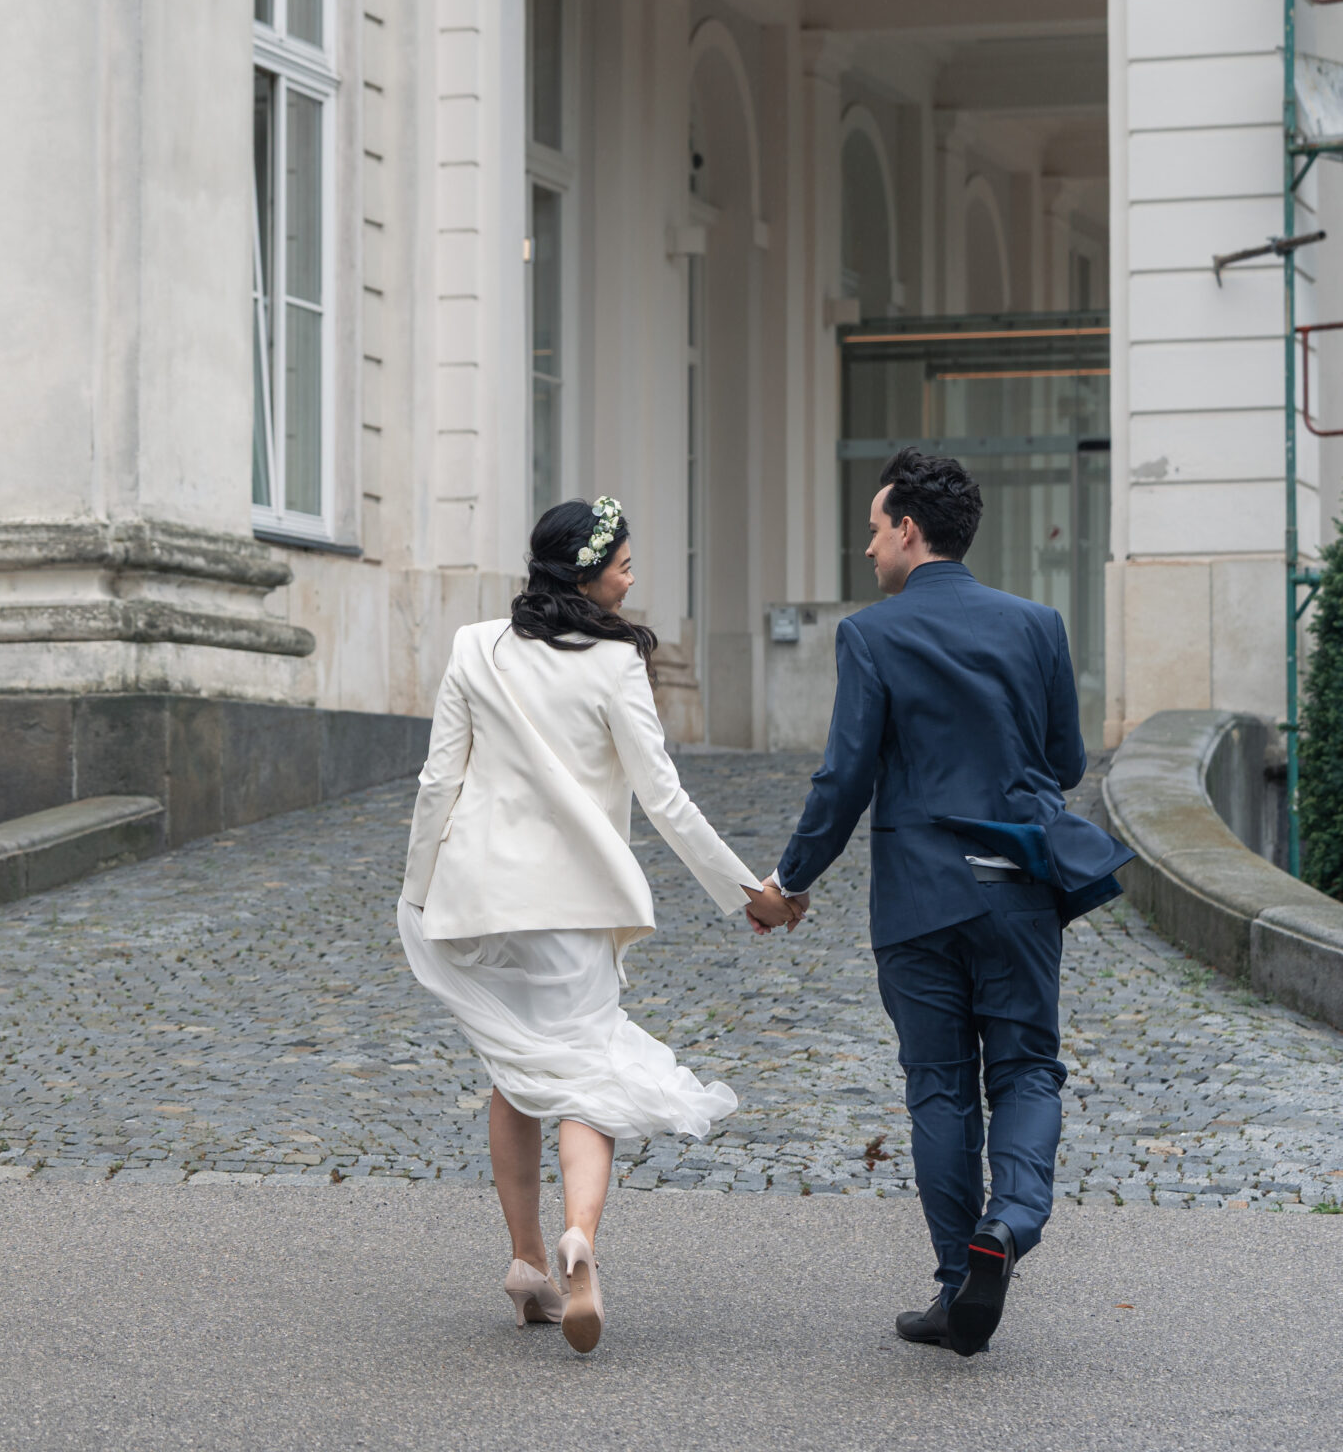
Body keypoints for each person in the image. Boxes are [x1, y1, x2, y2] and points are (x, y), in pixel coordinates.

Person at [400, 496, 797, 1355]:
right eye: (619, 556)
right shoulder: (616, 661)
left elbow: (439, 784)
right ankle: (581, 1236)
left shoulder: (474, 647)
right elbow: (665, 800)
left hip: (483, 901)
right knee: (584, 1073)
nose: (629, 569)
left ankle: (526, 1261)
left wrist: (419, 888)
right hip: (574, 906)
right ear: (583, 568)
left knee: (517, 1069)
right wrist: (747, 893)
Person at [761, 449, 1133, 1356]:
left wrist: (788, 881)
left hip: (921, 898)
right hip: (1018, 893)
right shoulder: (1037, 624)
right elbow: (1067, 762)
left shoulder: (873, 635)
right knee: (1026, 1069)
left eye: (876, 526)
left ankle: (954, 1281)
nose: (867, 544)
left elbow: (844, 778)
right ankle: (1006, 1223)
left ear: (909, 531)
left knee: (938, 1087)